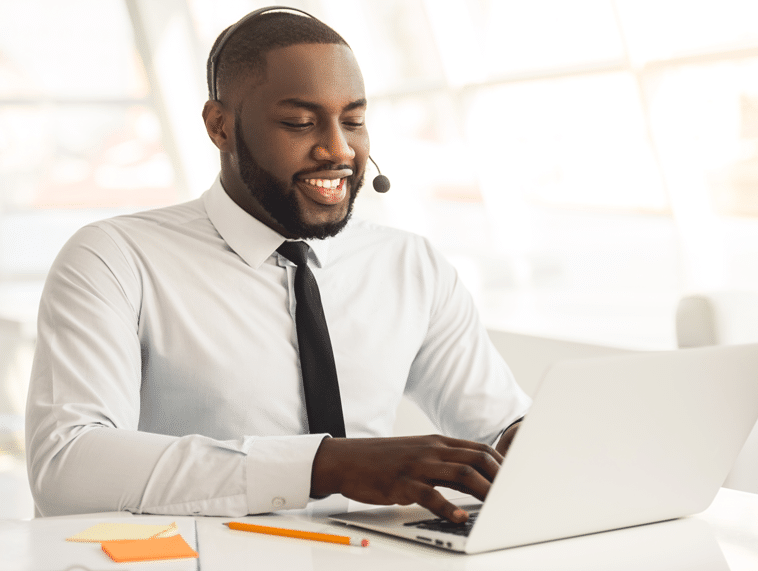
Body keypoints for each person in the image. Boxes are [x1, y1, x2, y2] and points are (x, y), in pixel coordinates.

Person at [25, 9, 530, 524]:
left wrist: (535, 444)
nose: (338, 148)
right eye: (299, 122)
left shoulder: (410, 264)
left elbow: (499, 425)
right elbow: (67, 468)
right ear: (220, 127)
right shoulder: (114, 258)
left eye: (353, 121)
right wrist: (322, 466)